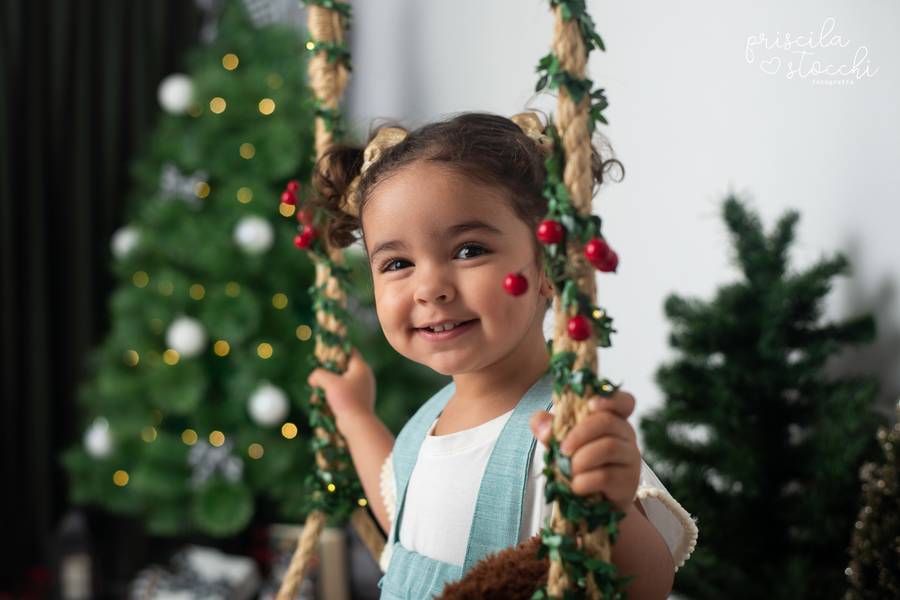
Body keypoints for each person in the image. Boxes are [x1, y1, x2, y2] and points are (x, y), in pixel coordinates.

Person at [305, 112, 698, 599]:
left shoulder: (567, 427)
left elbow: (646, 588)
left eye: (469, 250)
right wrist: (354, 415)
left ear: (550, 264)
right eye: (398, 263)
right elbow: (404, 526)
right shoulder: (426, 424)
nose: (429, 288)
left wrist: (611, 510)